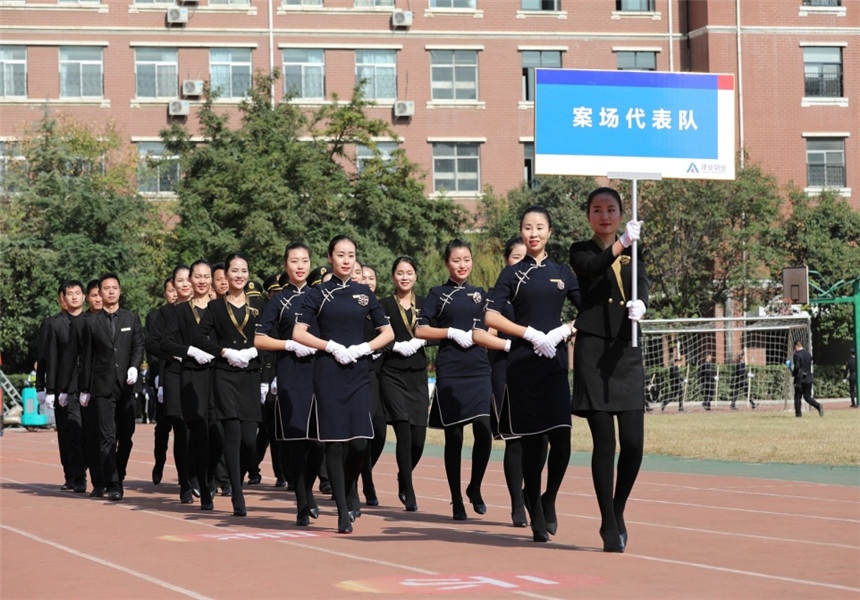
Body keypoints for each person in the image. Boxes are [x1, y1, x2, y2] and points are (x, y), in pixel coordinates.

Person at [486, 208, 580, 542]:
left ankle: (548, 497)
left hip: (555, 363)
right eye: (528, 228)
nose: (533, 233)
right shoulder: (513, 273)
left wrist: (564, 330)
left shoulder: (563, 273)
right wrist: (528, 333)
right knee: (532, 442)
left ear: (550, 232)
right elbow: (491, 317)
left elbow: (590, 310)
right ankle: (536, 511)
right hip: (523, 364)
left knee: (562, 439)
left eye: (540, 227)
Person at [292, 236, 394, 534]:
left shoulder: (364, 293)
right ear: (330, 257)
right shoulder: (318, 293)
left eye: (351, 255)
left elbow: (387, 333)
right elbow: (299, 333)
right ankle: (341, 511)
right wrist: (330, 346)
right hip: (329, 372)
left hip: (358, 372)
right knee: (335, 444)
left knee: (360, 443)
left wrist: (364, 348)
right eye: (340, 255)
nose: (346, 260)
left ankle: (349, 488)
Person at [568, 186, 648, 553]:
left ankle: (618, 509)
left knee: (633, 443)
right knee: (605, 442)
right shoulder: (581, 250)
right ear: (589, 216)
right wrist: (622, 243)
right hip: (594, 352)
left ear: (620, 213)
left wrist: (643, 304)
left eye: (612, 209)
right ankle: (607, 522)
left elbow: (642, 284)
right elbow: (592, 269)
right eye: (597, 210)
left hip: (626, 350)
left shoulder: (635, 250)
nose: (605, 216)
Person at [415, 239, 495, 522]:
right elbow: (420, 329)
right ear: (447, 263)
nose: (462, 265)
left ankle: (475, 486)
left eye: (466, 259)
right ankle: (457, 499)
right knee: (455, 436)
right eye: (456, 260)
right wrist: (449, 332)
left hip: (479, 368)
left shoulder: (481, 294)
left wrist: (486, 338)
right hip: (451, 369)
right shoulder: (437, 294)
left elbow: (493, 326)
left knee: (484, 429)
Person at [255, 243, 322, 525]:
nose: (300, 266)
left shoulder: (321, 296)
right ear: (286, 265)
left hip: (320, 374)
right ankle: (302, 501)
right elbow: (260, 339)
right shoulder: (278, 300)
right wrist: (289, 344)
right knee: (296, 441)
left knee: (318, 442)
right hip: (291, 374)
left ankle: (308, 490)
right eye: (294, 261)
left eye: (304, 260)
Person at [194, 253, 264, 516]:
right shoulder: (215, 307)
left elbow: (270, 335)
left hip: (250, 374)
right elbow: (199, 337)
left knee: (249, 440)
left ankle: (231, 479)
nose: (239, 275)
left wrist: (255, 351)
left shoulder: (258, 304)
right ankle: (237, 493)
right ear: (225, 275)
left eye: (243, 270)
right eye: (234, 271)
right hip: (225, 374)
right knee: (232, 435)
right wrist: (223, 351)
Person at [74, 273, 145, 501]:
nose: (111, 291)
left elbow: (138, 346)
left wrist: (134, 367)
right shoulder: (91, 323)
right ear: (100, 293)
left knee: (126, 436)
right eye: (106, 288)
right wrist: (85, 389)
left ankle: (118, 473)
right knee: (107, 437)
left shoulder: (131, 318)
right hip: (102, 387)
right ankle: (113, 484)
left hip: (126, 386)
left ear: (120, 291)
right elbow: (86, 358)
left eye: (114, 287)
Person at [161, 260, 222, 510]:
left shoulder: (220, 308)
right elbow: (165, 342)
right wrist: (189, 351)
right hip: (191, 377)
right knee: (198, 434)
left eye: (206, 276)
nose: (201, 281)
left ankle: (210, 476)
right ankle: (203, 489)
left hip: (218, 376)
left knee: (217, 434)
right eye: (197, 276)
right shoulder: (180, 311)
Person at [487, 236, 535, 527]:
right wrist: (509, 344)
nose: (521, 263)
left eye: (526, 257)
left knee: (538, 439)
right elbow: (485, 335)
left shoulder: (540, 291)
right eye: (516, 257)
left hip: (534, 369)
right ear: (506, 261)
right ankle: (517, 504)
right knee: (514, 440)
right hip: (505, 370)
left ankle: (531, 493)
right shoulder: (497, 294)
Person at [379, 256, 429, 512]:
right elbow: (375, 334)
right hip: (392, 374)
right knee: (404, 432)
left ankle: (403, 474)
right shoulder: (384, 304)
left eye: (409, 272)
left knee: (419, 438)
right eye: (400, 273)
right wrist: (394, 345)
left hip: (418, 375)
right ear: (393, 277)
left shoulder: (425, 304)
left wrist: (421, 340)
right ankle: (408, 488)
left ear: (415, 276)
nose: (404, 277)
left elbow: (437, 330)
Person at [146, 267, 194, 503]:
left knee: (202, 430)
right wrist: (172, 355)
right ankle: (185, 482)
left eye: (188, 279)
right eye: (179, 281)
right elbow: (152, 344)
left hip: (200, 374)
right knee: (180, 429)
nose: (184, 285)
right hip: (173, 375)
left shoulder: (205, 310)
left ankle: (203, 476)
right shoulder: (163, 314)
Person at [45, 280, 88, 493]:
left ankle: (89, 472)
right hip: (66, 387)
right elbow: (50, 359)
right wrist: (48, 389)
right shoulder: (54, 324)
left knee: (87, 432)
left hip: (89, 385)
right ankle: (75, 476)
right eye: (69, 293)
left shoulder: (91, 321)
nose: (73, 297)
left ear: (84, 296)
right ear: (63, 297)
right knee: (69, 432)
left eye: (77, 293)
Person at [248, 272, 288, 489]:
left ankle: (280, 473)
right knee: (263, 431)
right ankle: (253, 469)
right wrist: (264, 380)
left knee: (273, 432)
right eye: (274, 293)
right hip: (260, 377)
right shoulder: (265, 315)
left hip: (278, 377)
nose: (278, 297)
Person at [358, 263, 386, 507]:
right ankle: (365, 481)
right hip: (358, 372)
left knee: (379, 432)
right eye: (362, 276)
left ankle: (361, 471)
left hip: (380, 376)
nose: (367, 281)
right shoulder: (350, 305)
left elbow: (391, 333)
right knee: (363, 432)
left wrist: (381, 348)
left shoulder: (379, 306)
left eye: (371, 277)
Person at [792, 340, 823, 417]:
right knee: (807, 397)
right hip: (808, 378)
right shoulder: (808, 354)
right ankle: (818, 405)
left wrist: (794, 373)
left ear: (796, 346)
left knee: (797, 397)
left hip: (800, 379)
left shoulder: (797, 355)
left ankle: (798, 414)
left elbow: (797, 367)